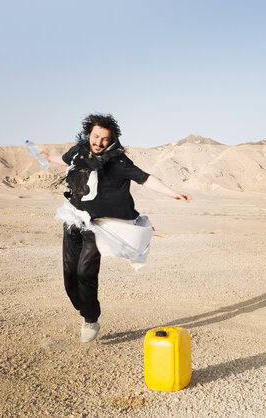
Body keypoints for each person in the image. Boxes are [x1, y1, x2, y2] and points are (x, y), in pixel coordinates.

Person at [40, 113, 191, 342]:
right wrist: (48, 157)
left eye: (104, 139)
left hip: (99, 226)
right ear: (89, 133)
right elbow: (65, 159)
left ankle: (91, 318)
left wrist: (174, 193)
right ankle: (85, 311)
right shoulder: (78, 151)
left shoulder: (118, 161)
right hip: (73, 219)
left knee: (85, 272)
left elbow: (145, 178)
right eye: (95, 136)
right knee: (70, 275)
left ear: (112, 140)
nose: (99, 143)